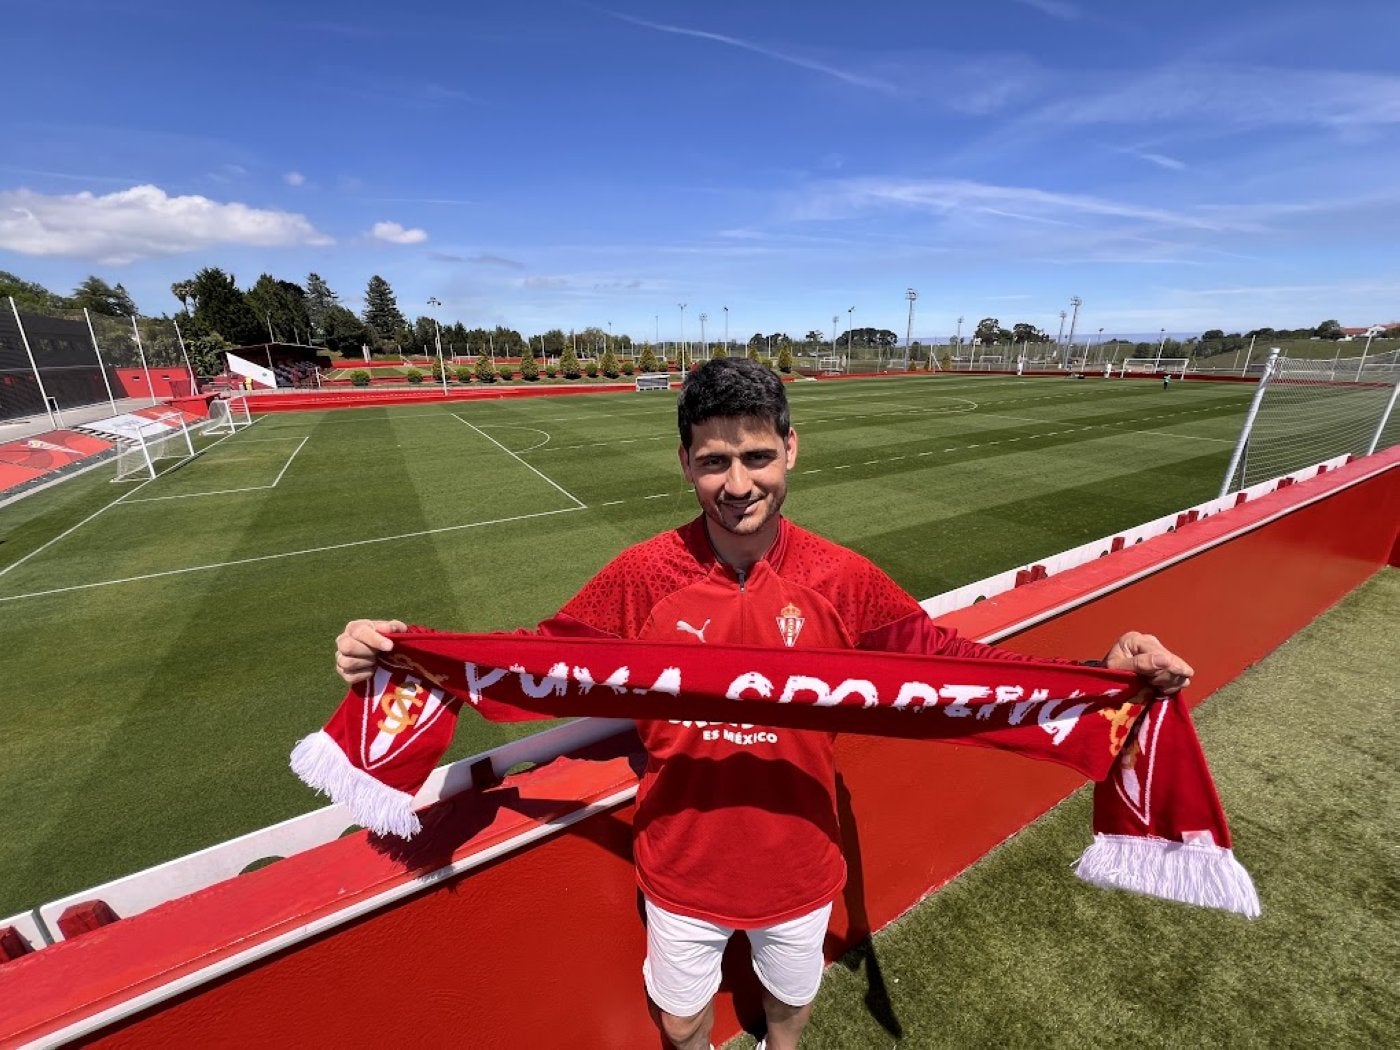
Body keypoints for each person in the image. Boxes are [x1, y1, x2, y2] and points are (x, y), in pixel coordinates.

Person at [334, 358, 1193, 1050]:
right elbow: (544, 661)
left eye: (755, 457)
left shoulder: (841, 578)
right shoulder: (642, 576)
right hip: (677, 864)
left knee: (789, 1010)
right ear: (685, 465)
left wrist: (1099, 676)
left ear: (791, 450)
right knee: (680, 1021)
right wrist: (405, 654)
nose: (737, 482)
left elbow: (953, 675)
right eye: (713, 462)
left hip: (802, 863)